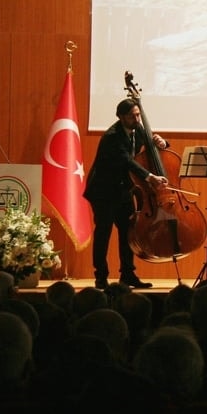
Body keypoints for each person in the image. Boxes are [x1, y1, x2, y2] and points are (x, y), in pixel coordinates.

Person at [84, 98, 170, 289]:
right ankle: (101, 277)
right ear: (121, 117)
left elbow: (150, 145)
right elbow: (127, 162)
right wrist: (150, 177)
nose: (137, 119)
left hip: (124, 189)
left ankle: (128, 275)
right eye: (132, 116)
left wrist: (163, 143)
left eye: (138, 114)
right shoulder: (112, 136)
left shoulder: (137, 129)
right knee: (103, 233)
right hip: (104, 191)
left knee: (128, 232)